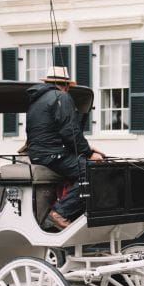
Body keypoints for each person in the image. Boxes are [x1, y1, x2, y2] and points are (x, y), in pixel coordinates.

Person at [25, 66, 104, 229]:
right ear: (66, 85)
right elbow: (70, 132)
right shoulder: (61, 96)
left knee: (84, 166)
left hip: (39, 154)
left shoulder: (36, 100)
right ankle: (61, 212)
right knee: (93, 171)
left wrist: (87, 150)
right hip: (53, 154)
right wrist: (89, 153)